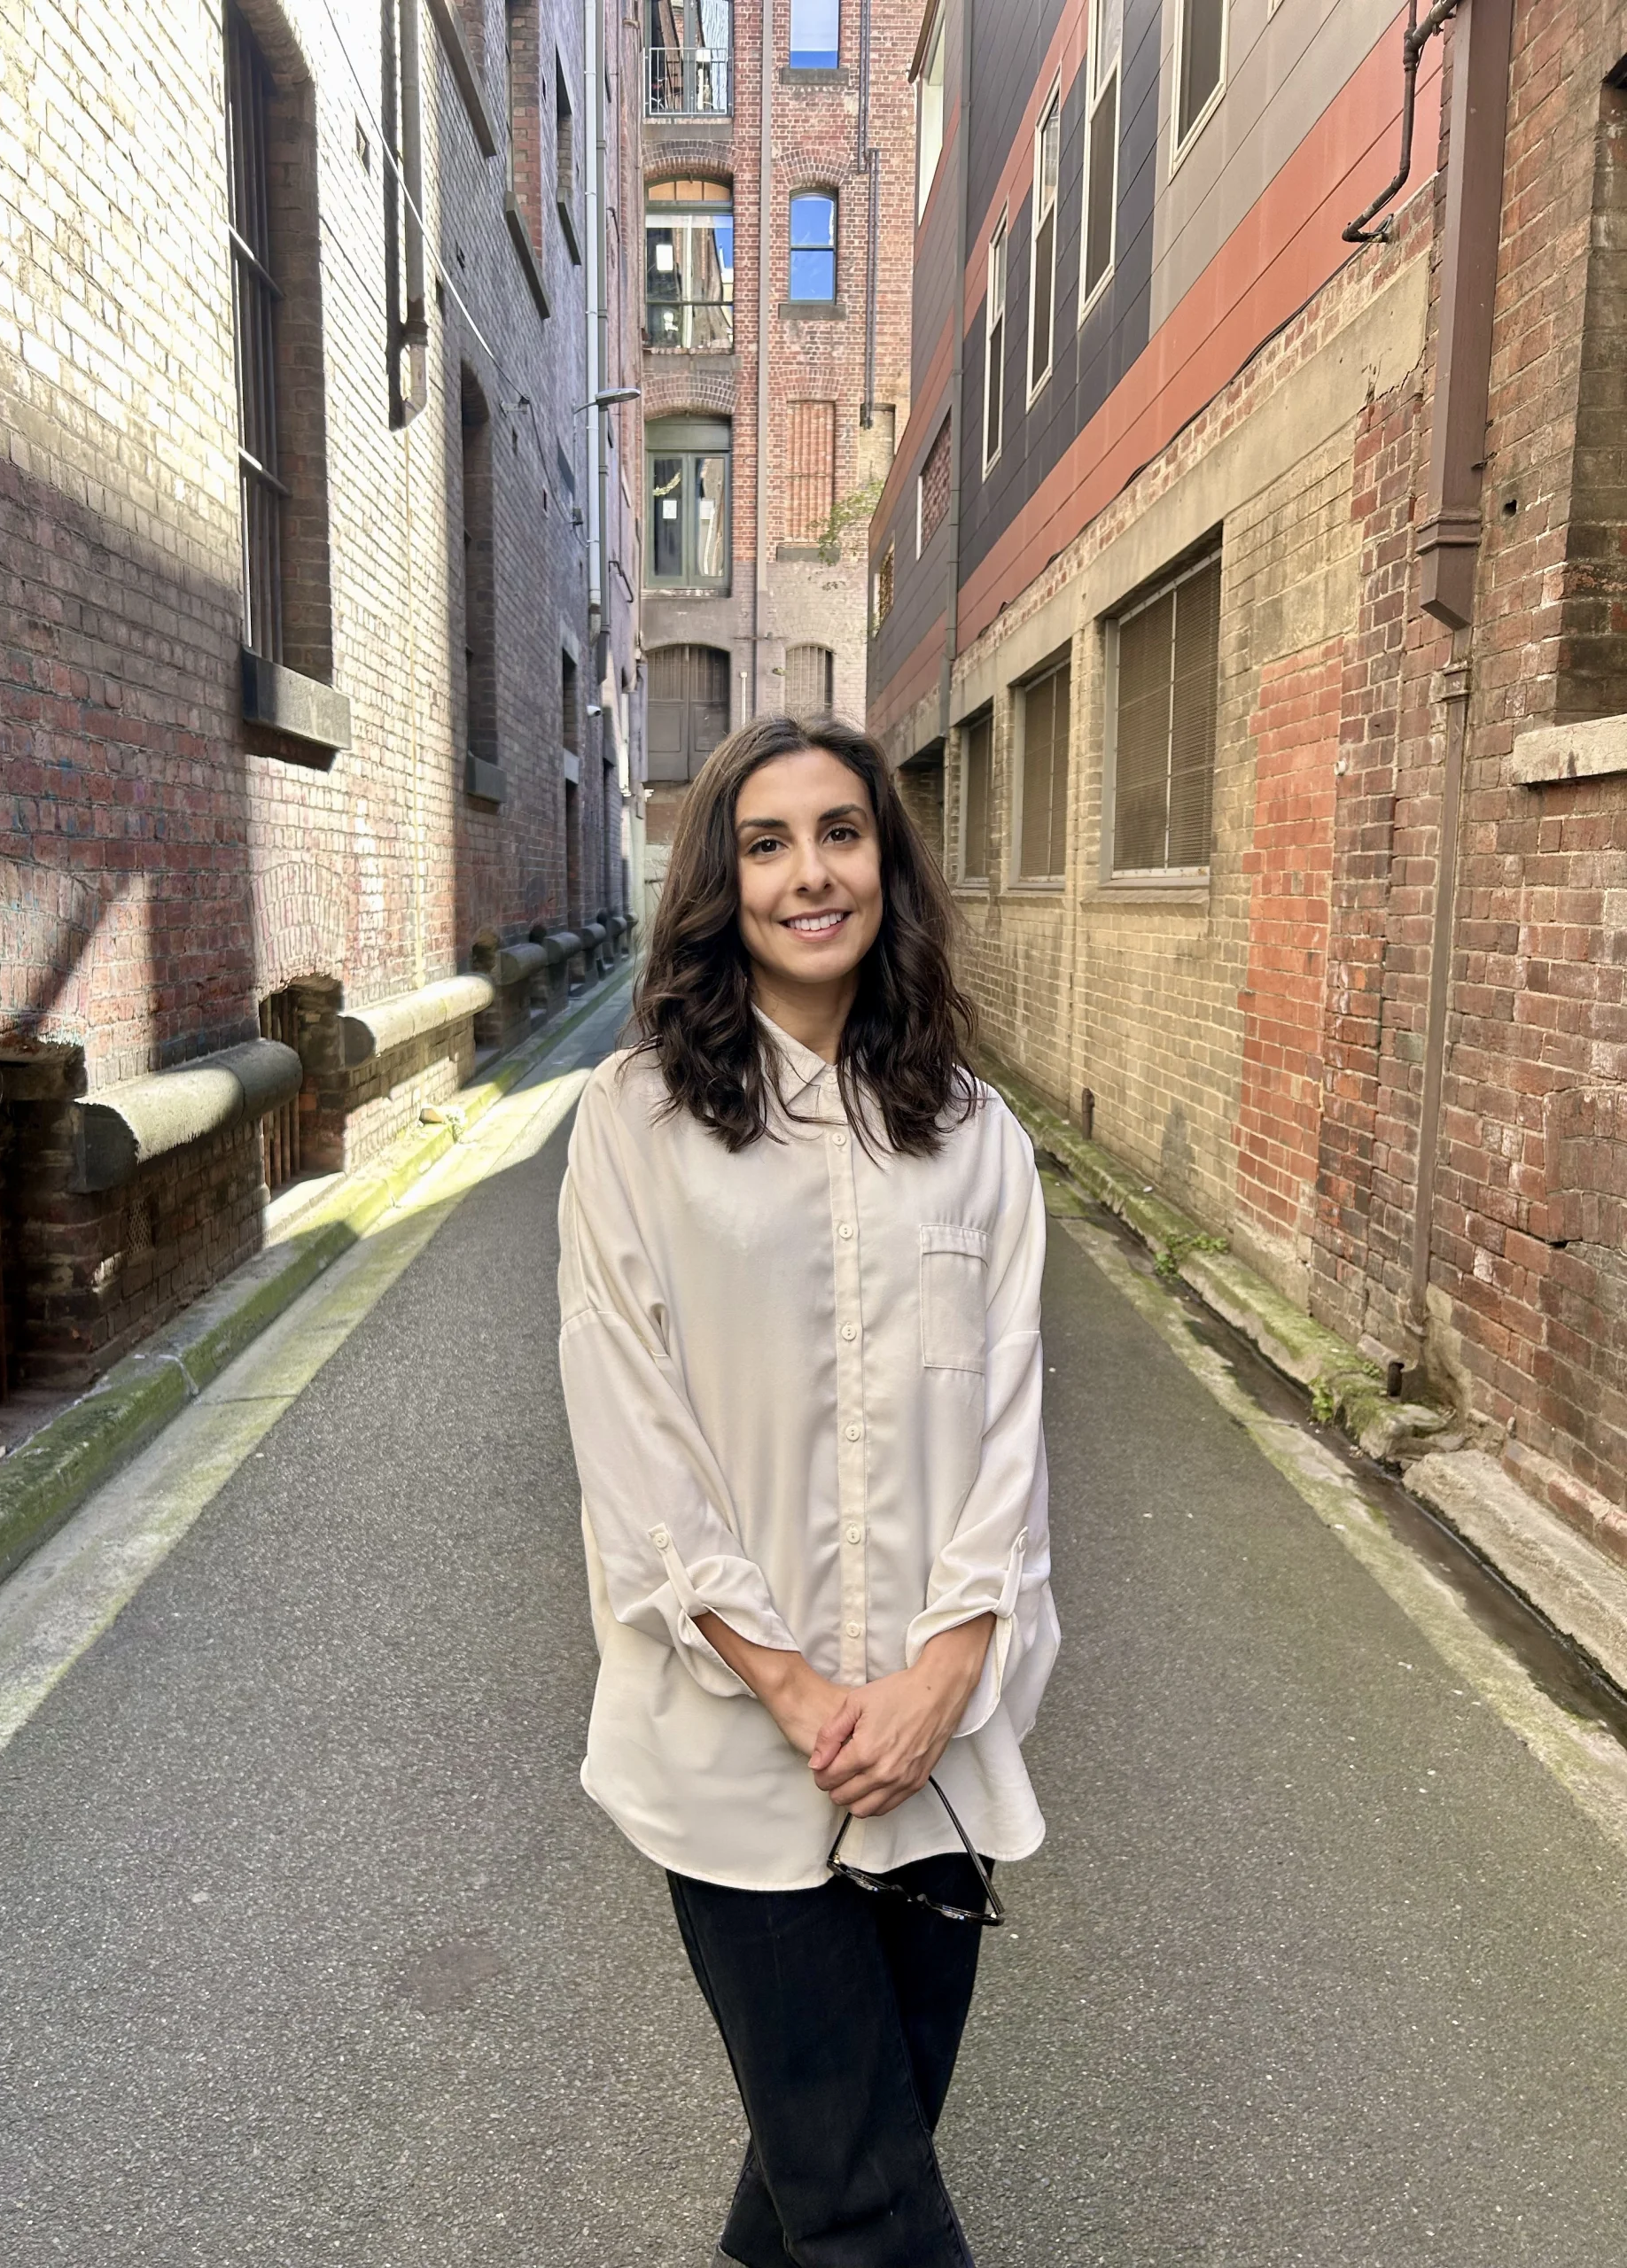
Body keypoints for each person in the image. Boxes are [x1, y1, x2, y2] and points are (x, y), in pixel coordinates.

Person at [557, 713, 1059, 2267]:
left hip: (937, 1746)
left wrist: (941, 1678)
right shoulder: (638, 1123)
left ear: (887, 867)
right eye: (764, 844)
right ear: (721, 885)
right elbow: (631, 1426)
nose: (808, 873)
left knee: (834, 2155)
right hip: (732, 1743)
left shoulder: (978, 1139)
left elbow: (1013, 1443)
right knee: (864, 2202)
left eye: (840, 832)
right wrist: (787, 1685)